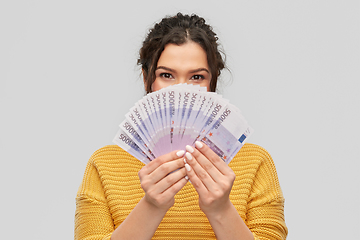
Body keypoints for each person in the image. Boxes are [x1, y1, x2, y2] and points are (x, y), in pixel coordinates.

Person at [75, 13, 288, 240]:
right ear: (147, 79)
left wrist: (221, 210)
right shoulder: (105, 165)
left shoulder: (255, 162)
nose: (181, 91)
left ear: (213, 82)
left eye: (196, 77)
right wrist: (151, 206)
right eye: (166, 75)